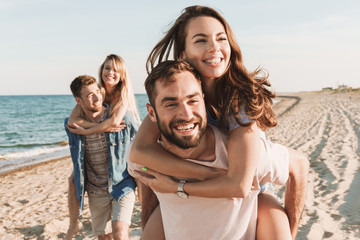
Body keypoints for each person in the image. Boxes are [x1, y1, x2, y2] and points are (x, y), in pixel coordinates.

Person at [129, 5, 308, 239]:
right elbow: (141, 153)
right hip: (207, 184)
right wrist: (202, 174)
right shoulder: (176, 99)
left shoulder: (239, 100)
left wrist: (178, 186)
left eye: (220, 38)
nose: (214, 47)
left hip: (252, 191)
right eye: (201, 40)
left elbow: (240, 184)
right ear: (183, 53)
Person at [64, 54, 141, 239]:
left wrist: (88, 130)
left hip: (121, 182)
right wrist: (88, 130)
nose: (110, 73)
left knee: (120, 233)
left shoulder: (123, 97)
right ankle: (73, 225)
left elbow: (115, 121)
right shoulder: (98, 90)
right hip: (96, 187)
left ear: (122, 75)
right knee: (73, 180)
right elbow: (73, 121)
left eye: (116, 70)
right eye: (107, 68)